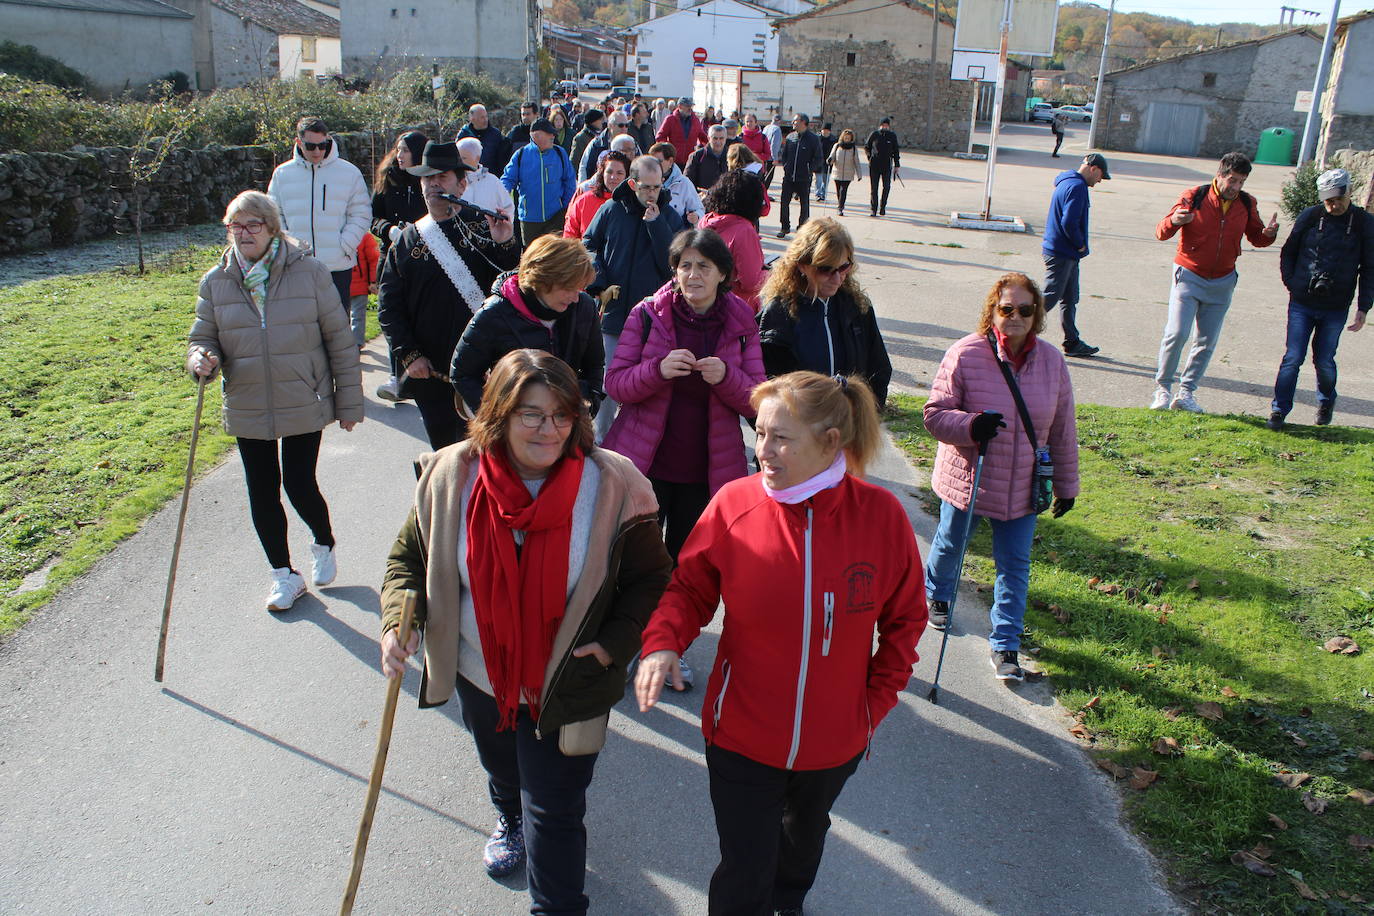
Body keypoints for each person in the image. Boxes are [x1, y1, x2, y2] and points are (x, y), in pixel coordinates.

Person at [380, 349, 672, 916]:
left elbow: (653, 577)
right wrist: (397, 620)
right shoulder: (450, 476)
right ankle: (508, 814)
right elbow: (406, 561)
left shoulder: (613, 484)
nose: (549, 429)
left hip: (570, 681)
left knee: (556, 809)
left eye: (562, 414)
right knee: (503, 769)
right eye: (530, 415)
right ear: (499, 414)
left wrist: (616, 643)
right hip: (476, 671)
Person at [633, 370, 927, 916]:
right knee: (745, 871)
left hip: (834, 744)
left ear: (830, 443)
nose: (762, 450)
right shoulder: (734, 503)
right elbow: (689, 589)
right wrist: (662, 643)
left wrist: (869, 710)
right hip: (740, 736)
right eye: (759, 433)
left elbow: (906, 623)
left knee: (798, 857)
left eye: (781, 437)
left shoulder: (881, 517)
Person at [187, 190, 363, 611]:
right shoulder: (216, 281)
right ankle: (283, 575)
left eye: (252, 225)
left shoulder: (310, 273)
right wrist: (200, 359)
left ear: (272, 228)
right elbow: (202, 336)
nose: (243, 233)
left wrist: (349, 403)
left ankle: (323, 541)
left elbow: (339, 338)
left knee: (299, 484)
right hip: (247, 399)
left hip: (302, 393)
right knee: (261, 491)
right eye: (235, 226)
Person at [922, 272, 1079, 678]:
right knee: (951, 541)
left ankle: (1006, 645)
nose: (1015, 317)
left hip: (1022, 485)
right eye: (1006, 308)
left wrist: (1065, 484)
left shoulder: (1052, 362)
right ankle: (938, 593)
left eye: (1025, 310)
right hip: (971, 478)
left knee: (1015, 565)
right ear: (992, 310)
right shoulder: (966, 353)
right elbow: (935, 415)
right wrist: (972, 426)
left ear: (1036, 315)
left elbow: (1062, 428)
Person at [603, 227, 765, 567]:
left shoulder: (741, 320)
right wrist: (657, 370)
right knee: (631, 563)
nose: (693, 275)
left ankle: (678, 622)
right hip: (645, 465)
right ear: (674, 271)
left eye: (704, 266)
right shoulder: (647, 314)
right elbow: (616, 384)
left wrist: (726, 377)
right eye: (685, 265)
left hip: (705, 472)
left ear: (723, 273)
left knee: (688, 566)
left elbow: (758, 400)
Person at [378, 141, 519, 450]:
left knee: (490, 454)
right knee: (444, 456)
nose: (433, 184)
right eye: (428, 178)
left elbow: (513, 289)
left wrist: (505, 244)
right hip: (431, 371)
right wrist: (410, 354)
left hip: (484, 369)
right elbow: (389, 307)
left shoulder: (485, 227)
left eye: (442, 177)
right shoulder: (405, 241)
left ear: (462, 183)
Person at [1150, 152, 1280, 412]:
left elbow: (1257, 237)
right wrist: (1175, 221)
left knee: (1206, 342)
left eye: (1241, 182)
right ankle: (1163, 389)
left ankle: (1186, 394)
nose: (1236, 187)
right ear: (1219, 175)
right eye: (1232, 180)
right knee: (1176, 334)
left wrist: (1268, 234)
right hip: (1188, 275)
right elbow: (1161, 232)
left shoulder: (1246, 203)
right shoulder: (1194, 195)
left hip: (1222, 280)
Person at [582, 155, 686, 440]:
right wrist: (599, 283)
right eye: (646, 188)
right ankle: (600, 441)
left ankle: (637, 444)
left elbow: (674, 262)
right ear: (632, 183)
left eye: (657, 187)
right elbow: (589, 245)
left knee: (646, 385)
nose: (652, 194)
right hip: (613, 312)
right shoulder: (611, 209)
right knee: (608, 383)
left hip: (652, 319)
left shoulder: (669, 215)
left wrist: (656, 224)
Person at [1267, 167, 1374, 429]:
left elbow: (1370, 268)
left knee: (1324, 360)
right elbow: (1288, 252)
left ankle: (1326, 401)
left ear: (1349, 193)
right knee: (1293, 357)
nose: (1334, 205)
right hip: (1302, 301)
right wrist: (1292, 283)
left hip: (1336, 306)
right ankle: (1278, 411)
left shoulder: (1363, 222)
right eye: (1328, 200)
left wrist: (1363, 307)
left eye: (1338, 199)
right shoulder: (1311, 216)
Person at [451, 236, 605, 416]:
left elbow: (594, 364)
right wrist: (496, 421)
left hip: (567, 419)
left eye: (580, 289)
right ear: (542, 279)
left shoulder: (584, 307)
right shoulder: (495, 313)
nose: (575, 298)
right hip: (517, 424)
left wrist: (591, 402)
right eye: (569, 289)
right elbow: (462, 373)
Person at [758, 218, 892, 406]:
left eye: (844, 267)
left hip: (850, 427)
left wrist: (866, 419)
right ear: (801, 265)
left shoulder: (857, 307)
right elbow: (765, 386)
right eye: (826, 269)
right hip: (800, 429)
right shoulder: (779, 313)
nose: (837, 278)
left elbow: (879, 369)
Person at [267, 116, 371, 313]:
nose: (317, 151)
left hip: (337, 266)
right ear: (298, 142)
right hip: (296, 265)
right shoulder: (282, 174)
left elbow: (361, 213)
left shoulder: (349, 172)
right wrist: (288, 246)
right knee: (300, 326)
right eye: (311, 146)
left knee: (338, 327)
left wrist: (345, 244)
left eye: (323, 145)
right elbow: (273, 215)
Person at [370, 129, 429, 402]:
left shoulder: (428, 180)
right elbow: (374, 218)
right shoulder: (388, 179)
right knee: (391, 311)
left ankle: (416, 371)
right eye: (398, 149)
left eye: (405, 150)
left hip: (422, 255)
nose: (399, 155)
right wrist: (390, 230)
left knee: (416, 313)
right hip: (391, 252)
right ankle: (396, 377)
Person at [1041, 153, 1110, 359]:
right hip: (1062, 252)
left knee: (1069, 298)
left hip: (1064, 252)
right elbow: (1069, 222)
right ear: (1093, 169)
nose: (1099, 181)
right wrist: (1080, 244)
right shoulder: (1077, 187)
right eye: (1100, 176)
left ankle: (1072, 342)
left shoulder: (1066, 182)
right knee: (1050, 297)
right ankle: (1012, 330)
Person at [699, 170, 768, 311]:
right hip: (736, 309)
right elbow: (751, 282)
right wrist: (772, 273)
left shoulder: (706, 221)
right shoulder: (744, 231)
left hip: (707, 302)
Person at [502, 117, 578, 245]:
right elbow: (507, 179)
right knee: (532, 257)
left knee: (555, 256)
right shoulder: (521, 155)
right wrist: (501, 199)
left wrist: (564, 207)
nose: (553, 135)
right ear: (536, 135)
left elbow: (570, 181)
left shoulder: (560, 153)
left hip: (556, 217)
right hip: (529, 219)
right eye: (549, 133)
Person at [563, 150, 629, 240]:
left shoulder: (632, 203)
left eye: (619, 173)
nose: (613, 177)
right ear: (602, 174)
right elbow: (570, 234)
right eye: (609, 172)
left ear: (627, 176)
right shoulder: (584, 200)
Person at [776, 113, 823, 239]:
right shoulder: (791, 137)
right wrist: (785, 166)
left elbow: (818, 158)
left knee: (804, 204)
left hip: (804, 178)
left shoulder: (813, 139)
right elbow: (784, 155)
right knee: (784, 202)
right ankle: (784, 227)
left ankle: (802, 228)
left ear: (803, 122)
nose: (793, 123)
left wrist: (809, 169)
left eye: (795, 121)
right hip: (789, 177)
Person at [456, 136, 515, 219]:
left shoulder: (492, 181)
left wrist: (503, 226)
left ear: (477, 158)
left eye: (464, 158)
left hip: (489, 230)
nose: (460, 162)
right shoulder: (453, 181)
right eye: (458, 158)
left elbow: (508, 208)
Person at [650, 141, 705, 226]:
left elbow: (699, 209)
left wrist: (696, 216)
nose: (654, 165)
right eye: (651, 161)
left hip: (676, 233)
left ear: (670, 161)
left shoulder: (683, 183)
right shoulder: (645, 181)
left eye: (658, 161)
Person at [580, 110, 633, 181]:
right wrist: (583, 186)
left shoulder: (632, 142)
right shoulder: (597, 144)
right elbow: (584, 167)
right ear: (610, 125)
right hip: (600, 187)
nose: (624, 128)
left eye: (627, 125)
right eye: (621, 125)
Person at [656, 96, 708, 168]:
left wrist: (708, 147)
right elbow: (660, 137)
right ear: (680, 106)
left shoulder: (695, 120)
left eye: (691, 106)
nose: (690, 108)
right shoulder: (670, 119)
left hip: (690, 161)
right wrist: (668, 151)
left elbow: (703, 137)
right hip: (674, 161)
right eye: (687, 106)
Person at [347, 231, 379, 349]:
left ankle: (352, 345)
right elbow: (374, 260)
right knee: (357, 316)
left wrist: (373, 281)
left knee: (348, 317)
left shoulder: (335, 233)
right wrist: (373, 281)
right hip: (359, 283)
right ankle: (356, 344)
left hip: (350, 283)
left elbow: (373, 260)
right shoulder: (365, 236)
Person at [864, 117, 900, 217]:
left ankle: (883, 207)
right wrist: (869, 157)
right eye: (883, 125)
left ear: (889, 126)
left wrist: (897, 165)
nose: (885, 127)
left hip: (886, 165)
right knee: (874, 188)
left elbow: (896, 151)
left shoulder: (892, 136)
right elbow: (867, 146)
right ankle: (873, 209)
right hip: (874, 164)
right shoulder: (874, 134)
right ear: (880, 125)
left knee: (886, 187)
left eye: (886, 125)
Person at [457, 104, 507, 174]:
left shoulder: (496, 135)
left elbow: (502, 160)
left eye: (486, 116)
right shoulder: (464, 134)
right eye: (482, 117)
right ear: (472, 119)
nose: (485, 120)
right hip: (468, 177)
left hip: (490, 177)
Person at [685, 124, 731, 192]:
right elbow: (687, 181)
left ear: (726, 138)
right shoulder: (697, 156)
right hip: (702, 198)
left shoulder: (732, 156)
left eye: (721, 138)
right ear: (709, 138)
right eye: (715, 138)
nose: (718, 142)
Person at [826, 128, 861, 217]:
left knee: (843, 190)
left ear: (851, 138)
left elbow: (856, 161)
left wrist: (859, 174)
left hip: (848, 173)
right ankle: (840, 204)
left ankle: (840, 207)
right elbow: (832, 156)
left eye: (848, 138)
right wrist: (829, 160)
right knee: (838, 191)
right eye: (845, 137)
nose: (847, 139)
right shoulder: (837, 146)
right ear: (842, 137)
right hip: (837, 172)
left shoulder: (853, 148)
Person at [570, 108, 604, 179]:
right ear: (593, 121)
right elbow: (574, 162)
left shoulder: (599, 136)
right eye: (600, 119)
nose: (602, 122)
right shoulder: (580, 138)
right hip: (585, 177)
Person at [813, 123, 836, 203]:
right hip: (818, 162)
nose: (825, 132)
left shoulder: (833, 140)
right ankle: (818, 194)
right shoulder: (816, 138)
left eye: (827, 130)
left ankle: (823, 194)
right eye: (824, 130)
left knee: (826, 180)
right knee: (818, 180)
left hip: (828, 163)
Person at [762, 114, 784, 191]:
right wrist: (775, 158)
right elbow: (774, 145)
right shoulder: (777, 129)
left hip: (763, 156)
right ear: (779, 121)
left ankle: (762, 193)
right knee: (769, 177)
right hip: (770, 157)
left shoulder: (766, 128)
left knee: (763, 176)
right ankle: (763, 194)